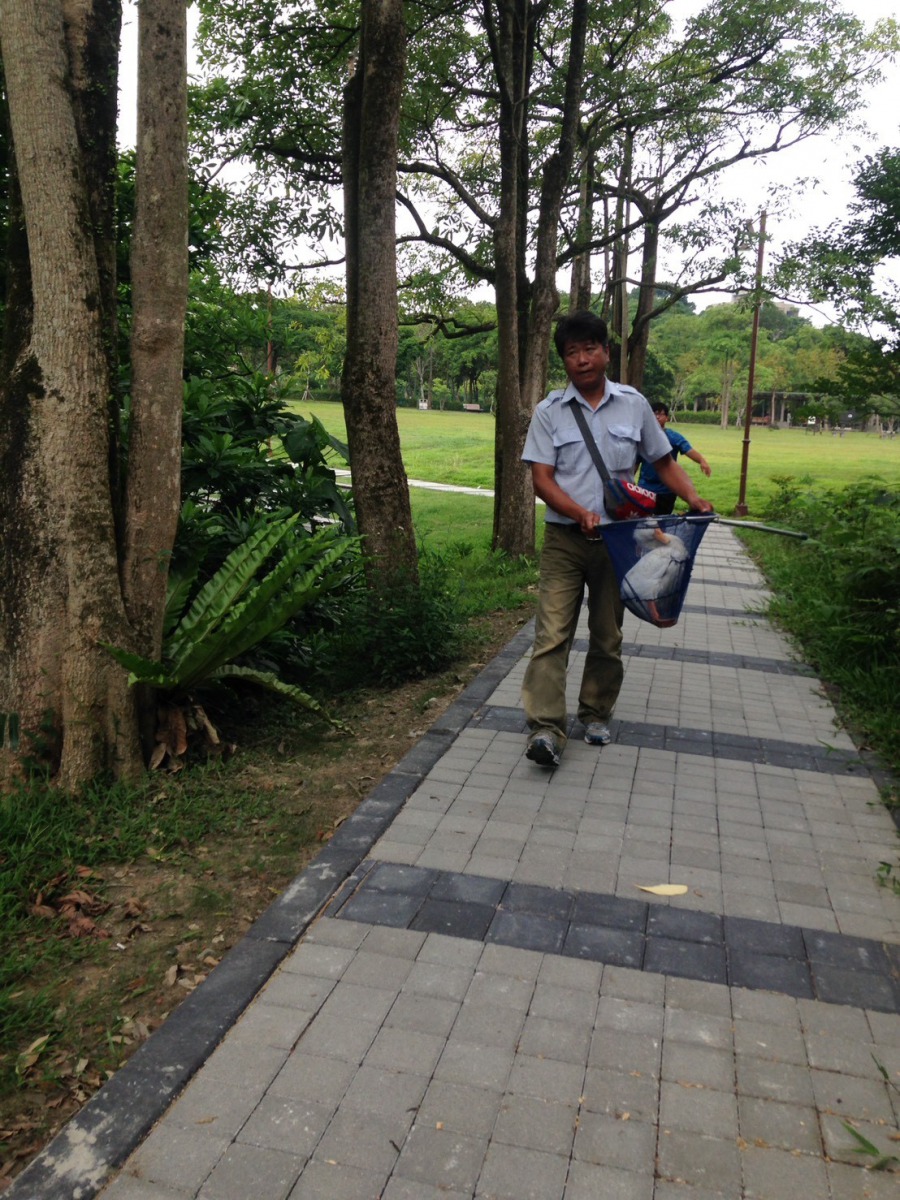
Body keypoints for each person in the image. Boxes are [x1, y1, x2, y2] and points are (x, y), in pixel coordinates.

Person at [521, 311, 714, 767]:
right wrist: (578, 512)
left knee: (607, 635)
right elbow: (542, 480)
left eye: (590, 349)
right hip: (565, 540)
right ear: (563, 361)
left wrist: (693, 495)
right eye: (572, 352)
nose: (582, 359)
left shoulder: (634, 404)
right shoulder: (549, 412)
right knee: (551, 636)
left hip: (621, 542)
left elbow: (663, 461)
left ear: (607, 352)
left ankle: (595, 712)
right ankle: (546, 728)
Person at [637, 402, 711, 515]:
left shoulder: (673, 437)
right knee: (643, 522)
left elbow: (688, 450)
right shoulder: (643, 438)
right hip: (645, 488)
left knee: (663, 521)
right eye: (654, 414)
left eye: (661, 414)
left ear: (667, 418)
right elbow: (635, 462)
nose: (657, 417)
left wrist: (702, 461)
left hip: (667, 490)